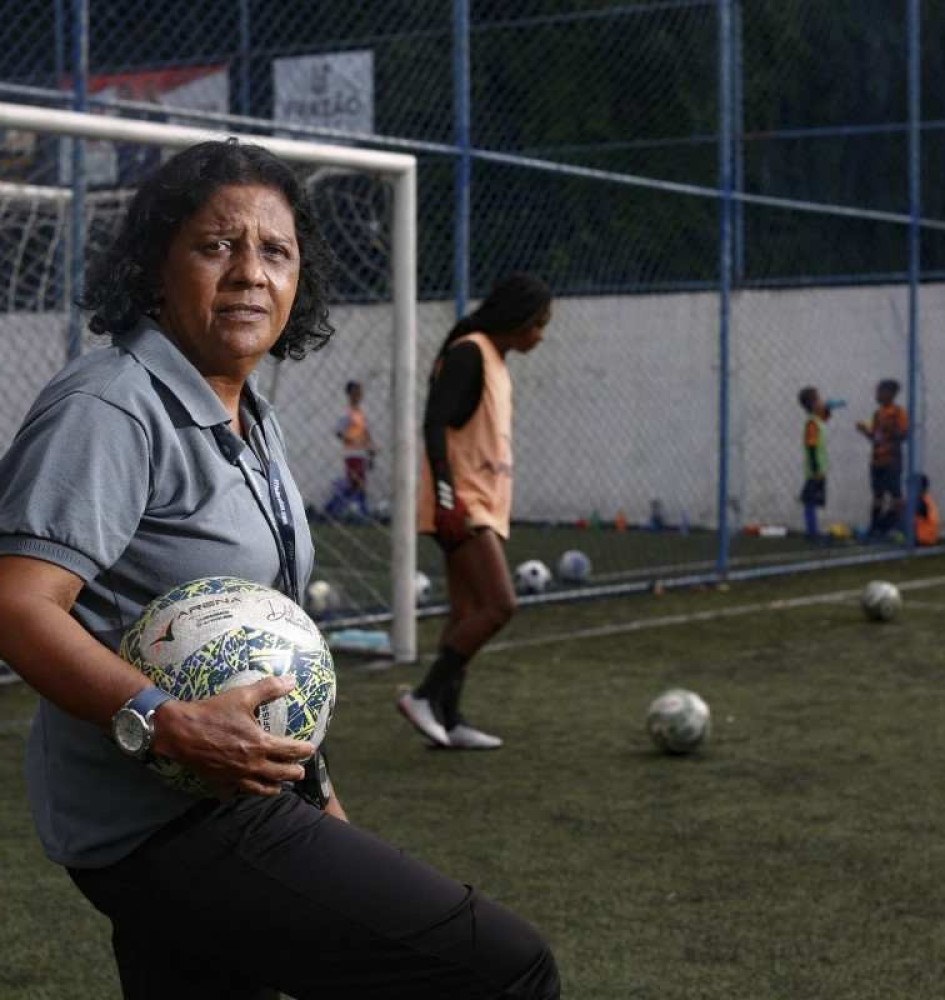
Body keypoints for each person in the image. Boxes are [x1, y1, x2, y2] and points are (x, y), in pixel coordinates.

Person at [0, 141, 559, 1000]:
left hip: (236, 792)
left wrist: (314, 791)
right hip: (166, 818)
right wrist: (164, 723)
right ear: (156, 263)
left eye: (275, 251)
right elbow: (18, 605)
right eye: (216, 245)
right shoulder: (110, 406)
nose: (249, 274)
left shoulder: (250, 416)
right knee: (507, 971)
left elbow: (268, 635)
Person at [398, 273, 553, 751]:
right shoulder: (469, 351)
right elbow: (434, 425)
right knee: (500, 605)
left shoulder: (497, 362)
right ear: (520, 319)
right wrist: (447, 496)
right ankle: (424, 695)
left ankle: (449, 717)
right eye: (539, 324)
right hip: (462, 504)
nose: (541, 335)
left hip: (486, 503)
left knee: (466, 610)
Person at [856, 378, 909, 537]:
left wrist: (889, 431)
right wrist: (865, 431)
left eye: (881, 391)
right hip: (876, 460)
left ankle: (896, 527)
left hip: (892, 459)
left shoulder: (898, 413)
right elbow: (876, 438)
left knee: (895, 496)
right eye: (877, 391)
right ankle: (875, 528)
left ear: (891, 394)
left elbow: (904, 434)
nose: (877, 395)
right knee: (877, 495)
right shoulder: (877, 414)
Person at [796, 387, 845, 540]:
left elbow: (825, 416)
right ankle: (812, 531)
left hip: (820, 469)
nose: (822, 401)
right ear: (812, 404)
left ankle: (813, 530)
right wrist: (816, 468)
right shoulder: (812, 423)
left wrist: (830, 407)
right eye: (819, 399)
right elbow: (811, 446)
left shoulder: (817, 420)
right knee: (809, 501)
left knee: (814, 500)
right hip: (814, 470)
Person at [333, 378, 377, 516]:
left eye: (360, 391)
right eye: (357, 391)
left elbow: (365, 432)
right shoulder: (347, 412)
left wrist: (371, 447)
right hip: (352, 453)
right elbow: (339, 432)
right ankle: (339, 509)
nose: (360, 394)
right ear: (350, 393)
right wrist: (353, 440)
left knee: (358, 484)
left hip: (361, 453)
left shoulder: (360, 412)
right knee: (356, 483)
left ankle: (349, 510)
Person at [914, 473, 940, 546]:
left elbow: (909, 517)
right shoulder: (927, 499)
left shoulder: (921, 502)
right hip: (929, 537)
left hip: (923, 538)